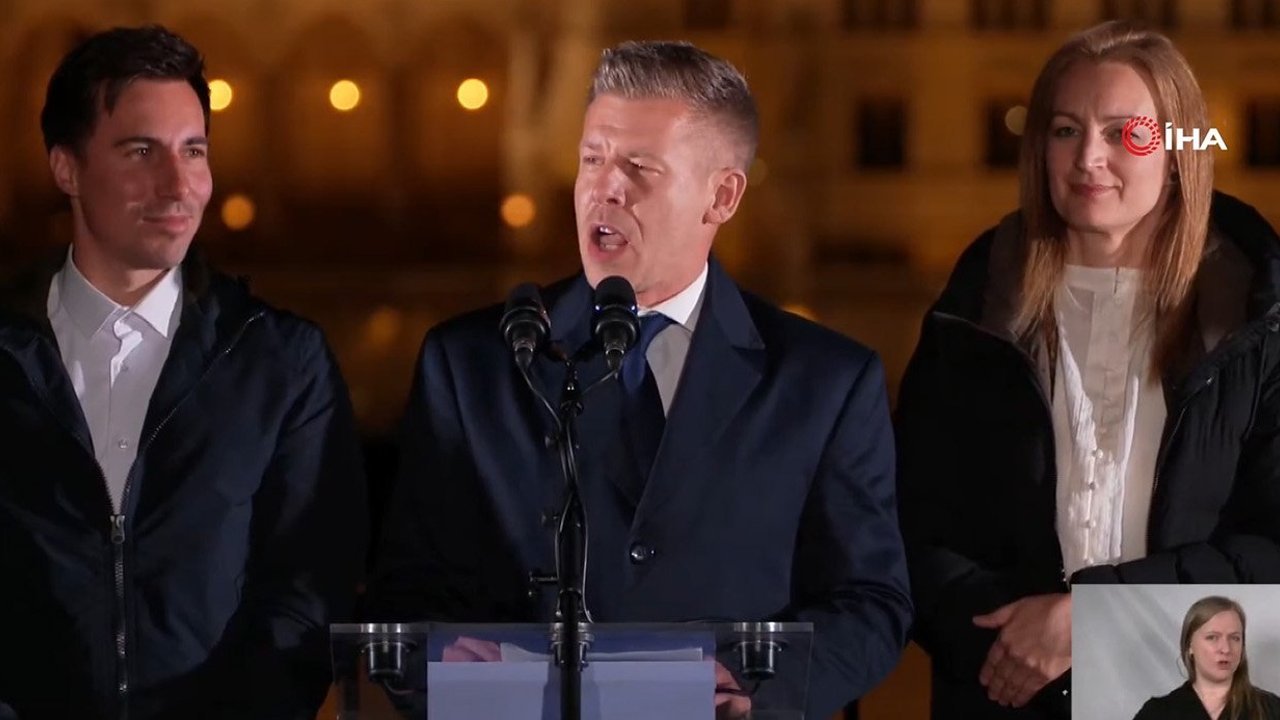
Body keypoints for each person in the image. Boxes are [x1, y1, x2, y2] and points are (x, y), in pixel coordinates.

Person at [365, 40, 912, 719]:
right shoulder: (474, 361)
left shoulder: (825, 382)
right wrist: (439, 655)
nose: (605, 188)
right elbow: (407, 587)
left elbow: (870, 602)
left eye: (639, 167)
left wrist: (757, 685)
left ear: (722, 195)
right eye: (592, 159)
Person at [895, 19, 1280, 720]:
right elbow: (914, 524)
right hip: (1007, 698)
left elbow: (1270, 546)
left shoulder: (1258, 320)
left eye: (1125, 133)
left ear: (1178, 151)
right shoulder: (973, 314)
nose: (1089, 158)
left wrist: (1096, 622)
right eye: (1066, 130)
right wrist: (1012, 649)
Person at [0, 26, 367, 719]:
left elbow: (307, 592)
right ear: (66, 169)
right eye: (141, 152)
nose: (178, 185)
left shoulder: (282, 362)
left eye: (193, 151)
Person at [1133, 596, 1280, 720]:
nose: (1226, 649)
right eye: (1212, 637)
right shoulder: (1158, 713)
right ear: (1189, 645)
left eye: (1235, 638)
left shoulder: (1271, 708)